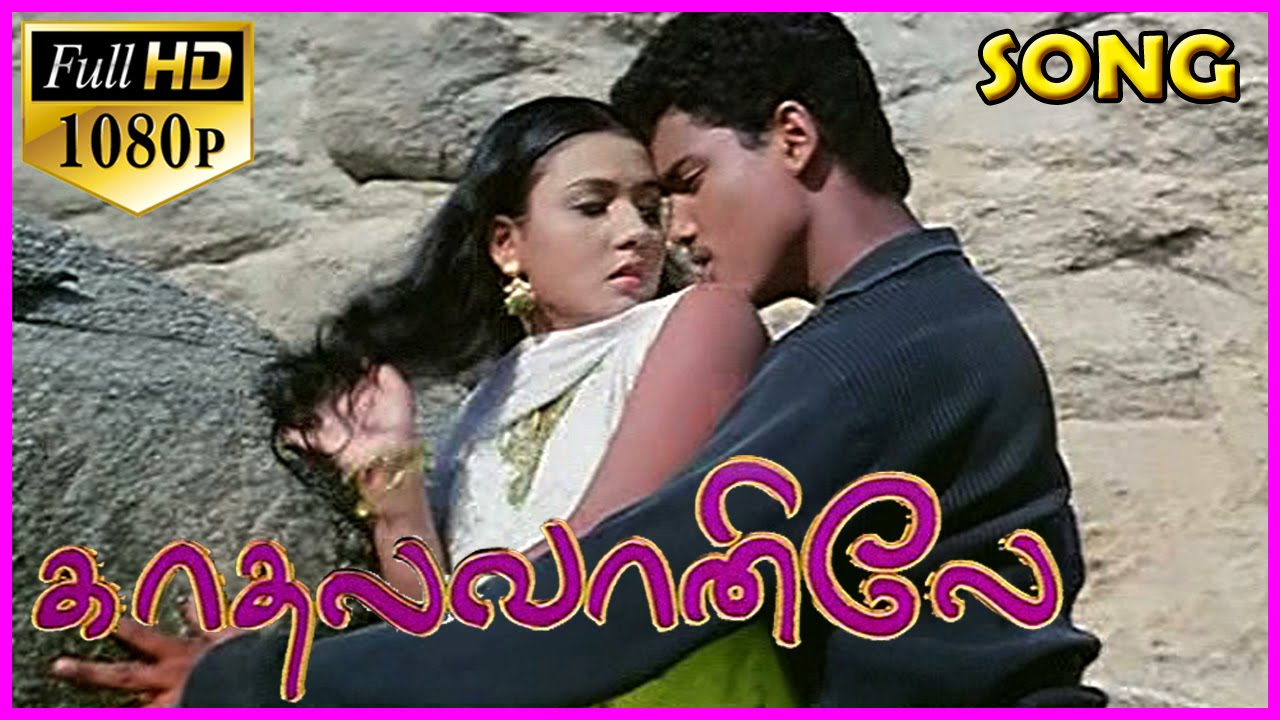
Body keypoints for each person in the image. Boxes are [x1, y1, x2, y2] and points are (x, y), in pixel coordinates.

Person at [64, 13, 1107, 707]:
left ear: (792, 137)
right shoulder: (911, 324)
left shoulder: (883, 349)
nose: (672, 231)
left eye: (682, 183)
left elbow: (612, 603)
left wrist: (259, 679)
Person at [49, 96, 797, 708]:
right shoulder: (492, 397)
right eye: (593, 206)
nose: (636, 233)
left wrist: (280, 676)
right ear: (506, 244)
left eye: (648, 206)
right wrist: (394, 492)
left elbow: (592, 565)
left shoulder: (704, 319)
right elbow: (436, 629)